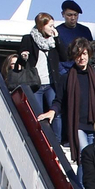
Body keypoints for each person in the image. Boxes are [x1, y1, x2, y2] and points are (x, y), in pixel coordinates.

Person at [18, 12, 63, 148]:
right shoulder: (29, 39)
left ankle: (56, 141)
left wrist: (58, 39)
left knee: (55, 112)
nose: (52, 28)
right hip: (36, 83)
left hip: (51, 83)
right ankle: (40, 142)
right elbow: (20, 59)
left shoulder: (53, 41)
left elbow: (65, 56)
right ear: (41, 26)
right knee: (36, 114)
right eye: (50, 26)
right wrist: (24, 57)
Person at [60, 39, 95, 163]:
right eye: (78, 55)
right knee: (84, 157)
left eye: (84, 54)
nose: (81, 58)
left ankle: (87, 183)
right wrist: (52, 111)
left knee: (94, 161)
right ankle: (80, 183)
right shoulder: (66, 78)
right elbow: (59, 100)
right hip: (78, 124)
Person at [54, 0, 92, 87]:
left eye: (75, 15)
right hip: (64, 72)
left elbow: (90, 52)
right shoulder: (57, 31)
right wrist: (63, 72)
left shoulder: (85, 31)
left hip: (82, 72)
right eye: (69, 15)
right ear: (63, 14)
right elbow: (55, 55)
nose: (73, 18)